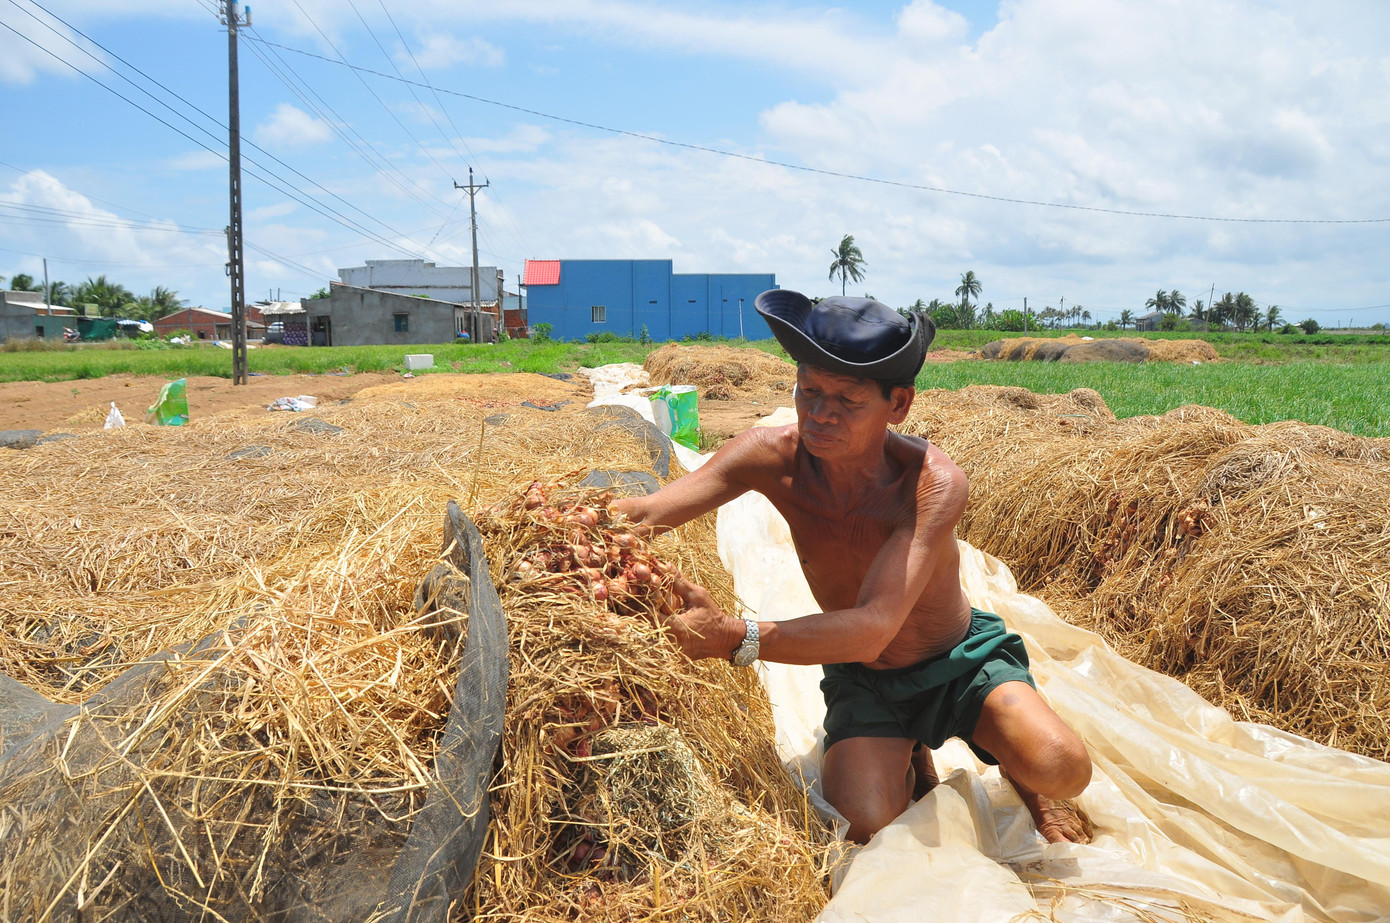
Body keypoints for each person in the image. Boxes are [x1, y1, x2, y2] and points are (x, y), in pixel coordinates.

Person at [612, 289, 1092, 845]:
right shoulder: (769, 455)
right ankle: (909, 747)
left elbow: (874, 626)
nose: (820, 414)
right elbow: (647, 513)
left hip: (956, 663)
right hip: (867, 678)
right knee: (863, 821)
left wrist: (732, 636)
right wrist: (559, 519)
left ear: (899, 404)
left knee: (1061, 767)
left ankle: (1022, 774)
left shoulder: (930, 483)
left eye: (848, 400)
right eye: (809, 391)